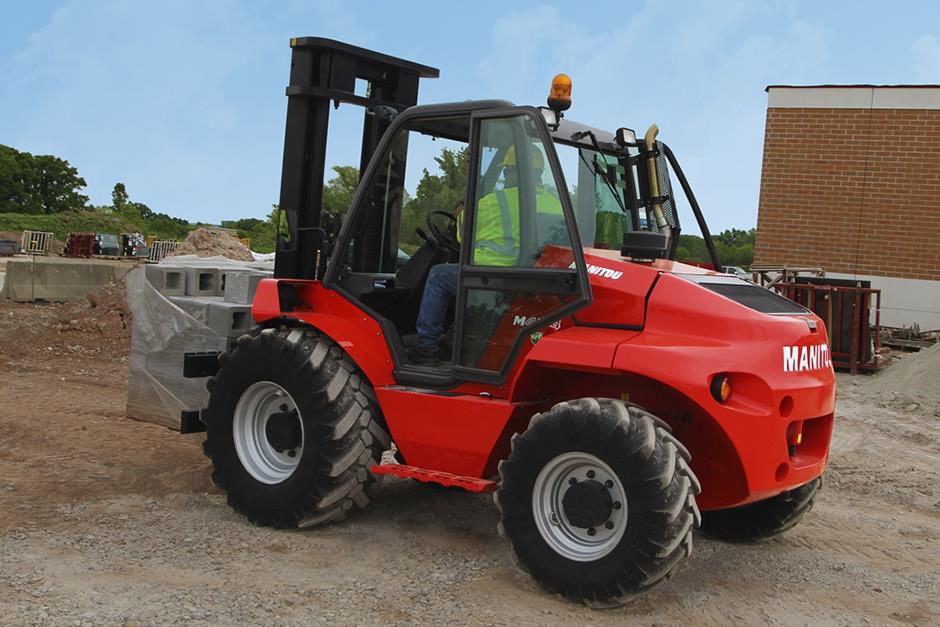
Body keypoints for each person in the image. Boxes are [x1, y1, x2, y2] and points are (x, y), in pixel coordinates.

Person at [409, 144, 563, 366]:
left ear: (513, 172)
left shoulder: (496, 201)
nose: (505, 177)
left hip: (494, 278)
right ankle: (452, 338)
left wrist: (461, 214)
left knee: (438, 276)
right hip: (531, 277)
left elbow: (462, 234)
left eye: (505, 171)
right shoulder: (555, 204)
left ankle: (425, 347)